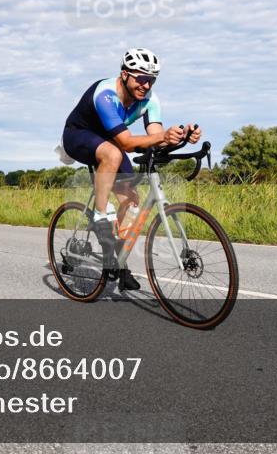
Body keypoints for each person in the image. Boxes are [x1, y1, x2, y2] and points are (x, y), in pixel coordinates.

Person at [61, 48, 201, 291]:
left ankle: (118, 263)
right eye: (141, 78)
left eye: (152, 80)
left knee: (131, 200)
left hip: (110, 140)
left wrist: (181, 136)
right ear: (125, 74)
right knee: (113, 153)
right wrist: (163, 138)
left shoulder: (150, 101)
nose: (146, 85)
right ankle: (100, 215)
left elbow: (156, 137)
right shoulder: (106, 95)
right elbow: (126, 143)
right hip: (78, 135)